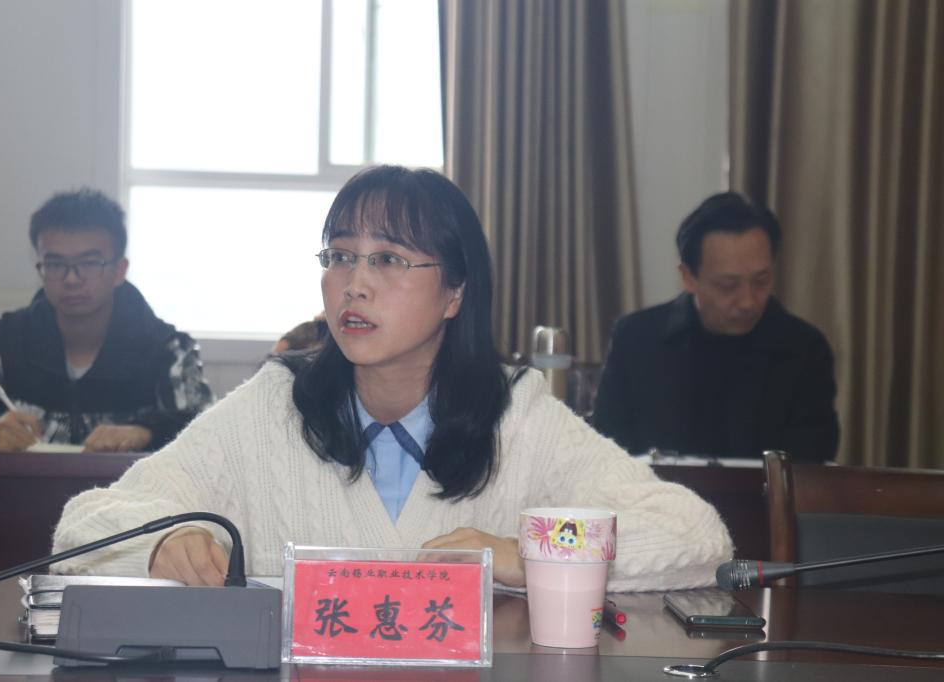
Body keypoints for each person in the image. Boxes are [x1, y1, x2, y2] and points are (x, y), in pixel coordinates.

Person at [52, 167, 732, 591]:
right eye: (340, 256)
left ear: (455, 292)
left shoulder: (516, 416)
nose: (355, 283)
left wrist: (530, 553)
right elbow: (84, 527)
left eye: (389, 259)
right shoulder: (274, 407)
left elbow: (694, 535)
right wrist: (162, 542)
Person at [0, 189, 213, 452]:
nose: (71, 279)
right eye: (55, 264)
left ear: (119, 270)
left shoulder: (166, 349)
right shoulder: (1, 341)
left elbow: (209, 432)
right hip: (19, 493)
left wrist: (146, 432)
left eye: (89, 263)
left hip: (130, 495)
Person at [593, 192, 839, 462]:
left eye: (761, 281)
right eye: (728, 285)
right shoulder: (636, 339)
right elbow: (607, 450)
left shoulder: (804, 349)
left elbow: (811, 462)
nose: (748, 301)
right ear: (688, 277)